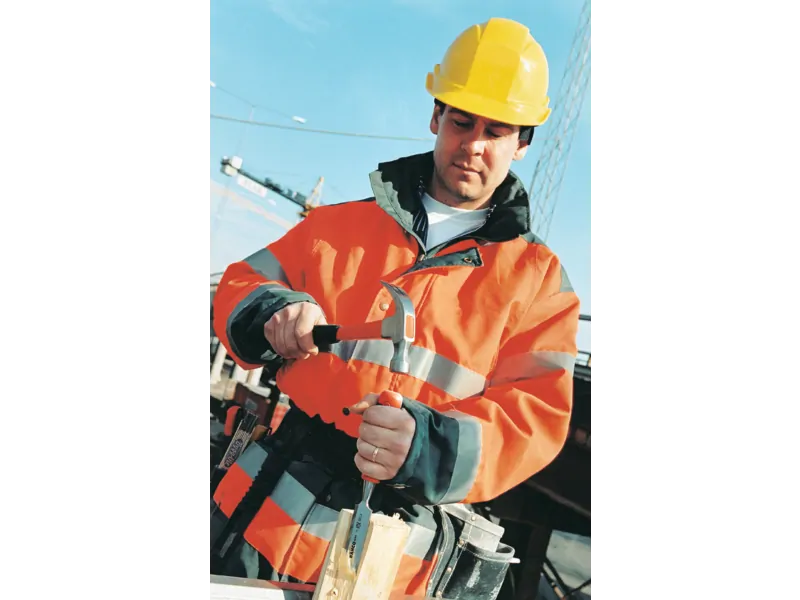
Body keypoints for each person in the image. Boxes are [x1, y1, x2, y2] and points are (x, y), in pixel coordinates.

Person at [208, 16, 581, 600]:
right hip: (255, 528)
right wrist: (273, 309)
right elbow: (240, 285)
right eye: (462, 121)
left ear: (523, 143)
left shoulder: (540, 284)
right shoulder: (338, 226)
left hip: (390, 569)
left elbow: (535, 419)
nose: (474, 144)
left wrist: (429, 447)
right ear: (436, 117)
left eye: (496, 130)